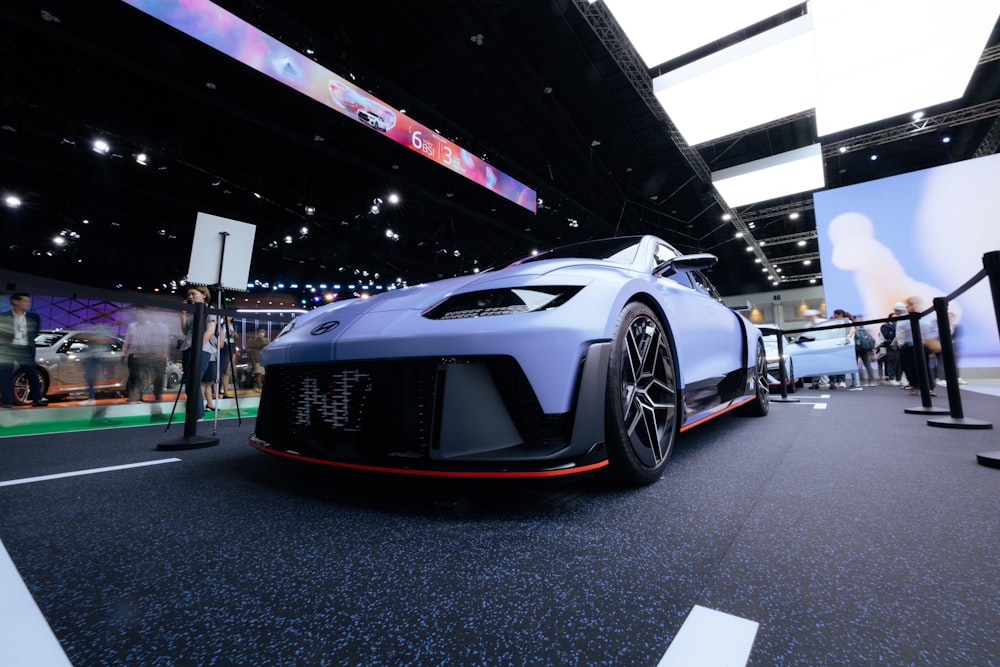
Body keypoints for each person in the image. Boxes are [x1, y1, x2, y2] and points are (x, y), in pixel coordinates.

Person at [0, 293, 48, 408]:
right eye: (25, 301)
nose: (28, 304)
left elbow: (35, 332)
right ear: (16, 302)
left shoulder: (33, 317)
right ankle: (6, 401)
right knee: (4, 376)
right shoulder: (3, 316)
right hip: (8, 349)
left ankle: (36, 398)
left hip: (25, 349)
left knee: (33, 374)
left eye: (29, 301)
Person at [179, 285, 216, 418]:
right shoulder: (191, 312)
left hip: (201, 350)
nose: (190, 297)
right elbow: (185, 331)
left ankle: (196, 415)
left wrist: (197, 347)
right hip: (188, 348)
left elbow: (210, 330)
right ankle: (195, 414)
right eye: (189, 295)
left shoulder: (209, 310)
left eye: (193, 294)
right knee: (189, 382)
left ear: (204, 295)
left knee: (194, 381)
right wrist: (183, 314)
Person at [122, 306, 171, 403]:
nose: (139, 315)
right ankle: (136, 397)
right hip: (134, 355)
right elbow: (127, 340)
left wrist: (163, 355)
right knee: (135, 376)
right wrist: (124, 353)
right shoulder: (132, 326)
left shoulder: (153, 327)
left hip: (150, 355)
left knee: (154, 376)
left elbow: (163, 343)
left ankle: (157, 396)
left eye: (142, 313)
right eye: (138, 313)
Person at [802, 309, 831, 390]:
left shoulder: (823, 322)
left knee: (828, 364)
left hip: (825, 346)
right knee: (816, 366)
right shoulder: (808, 325)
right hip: (814, 347)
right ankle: (815, 383)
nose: (808, 318)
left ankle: (830, 382)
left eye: (809, 316)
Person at [245, 328, 269, 392]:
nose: (261, 333)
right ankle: (259, 386)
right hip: (256, 359)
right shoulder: (254, 340)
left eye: (263, 332)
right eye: (260, 332)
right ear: (258, 333)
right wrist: (254, 351)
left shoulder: (266, 340)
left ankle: (259, 385)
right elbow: (247, 349)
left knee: (262, 374)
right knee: (258, 373)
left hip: (264, 359)